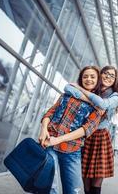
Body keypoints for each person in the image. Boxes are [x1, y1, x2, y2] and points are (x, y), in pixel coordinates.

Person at [38, 66, 103, 194]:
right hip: (49, 145)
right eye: (85, 76)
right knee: (49, 187)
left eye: (92, 77)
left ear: (97, 81)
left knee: (73, 191)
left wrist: (58, 140)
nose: (88, 79)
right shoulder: (67, 95)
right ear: (80, 79)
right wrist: (43, 129)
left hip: (72, 151)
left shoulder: (99, 106)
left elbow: (86, 130)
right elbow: (50, 113)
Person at [61, 65, 118, 194]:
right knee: (85, 179)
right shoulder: (93, 89)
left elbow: (103, 104)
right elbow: (67, 87)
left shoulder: (115, 96)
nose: (108, 77)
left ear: (115, 80)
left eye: (112, 75)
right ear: (100, 75)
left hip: (100, 138)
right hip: (84, 135)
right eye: (106, 73)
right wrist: (87, 96)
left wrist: (82, 92)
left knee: (96, 182)